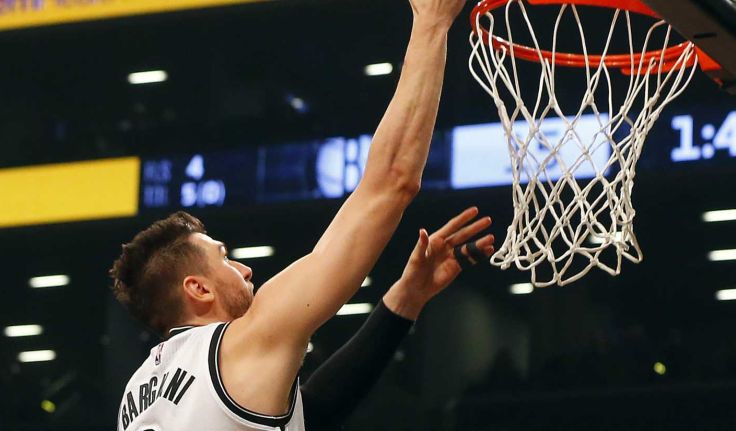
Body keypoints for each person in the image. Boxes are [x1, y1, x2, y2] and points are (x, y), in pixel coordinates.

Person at [110, 1, 493, 429]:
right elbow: (392, 183)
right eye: (224, 259)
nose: (245, 269)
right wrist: (432, 24)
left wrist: (405, 298)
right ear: (198, 288)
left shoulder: (137, 393)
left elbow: (313, 413)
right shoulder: (235, 344)